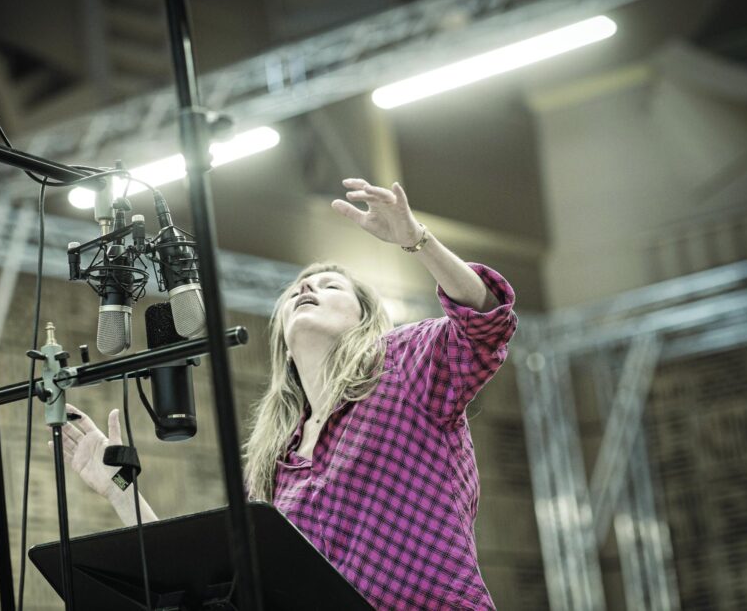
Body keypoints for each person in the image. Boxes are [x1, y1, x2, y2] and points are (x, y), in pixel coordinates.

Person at [56, 178, 518, 610]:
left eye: (329, 286)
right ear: (280, 336)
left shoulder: (403, 363)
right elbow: (213, 586)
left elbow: (485, 320)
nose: (306, 288)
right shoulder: (275, 460)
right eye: (298, 289)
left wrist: (415, 238)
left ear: (364, 317)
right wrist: (120, 491)